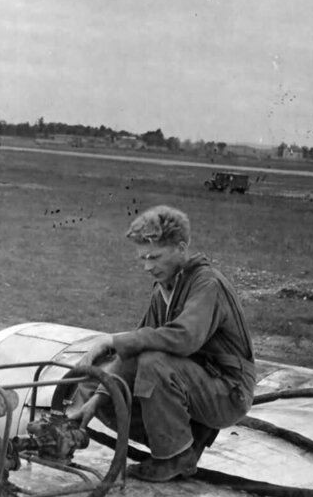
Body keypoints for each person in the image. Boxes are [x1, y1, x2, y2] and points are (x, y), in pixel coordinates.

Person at [68, 205, 255, 482]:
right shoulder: (164, 289)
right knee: (105, 373)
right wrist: (98, 397)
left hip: (229, 391)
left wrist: (113, 339)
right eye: (142, 258)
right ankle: (68, 430)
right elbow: (136, 349)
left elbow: (184, 338)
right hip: (198, 380)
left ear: (181, 248)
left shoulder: (207, 284)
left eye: (154, 257)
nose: (147, 267)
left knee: (153, 363)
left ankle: (175, 457)